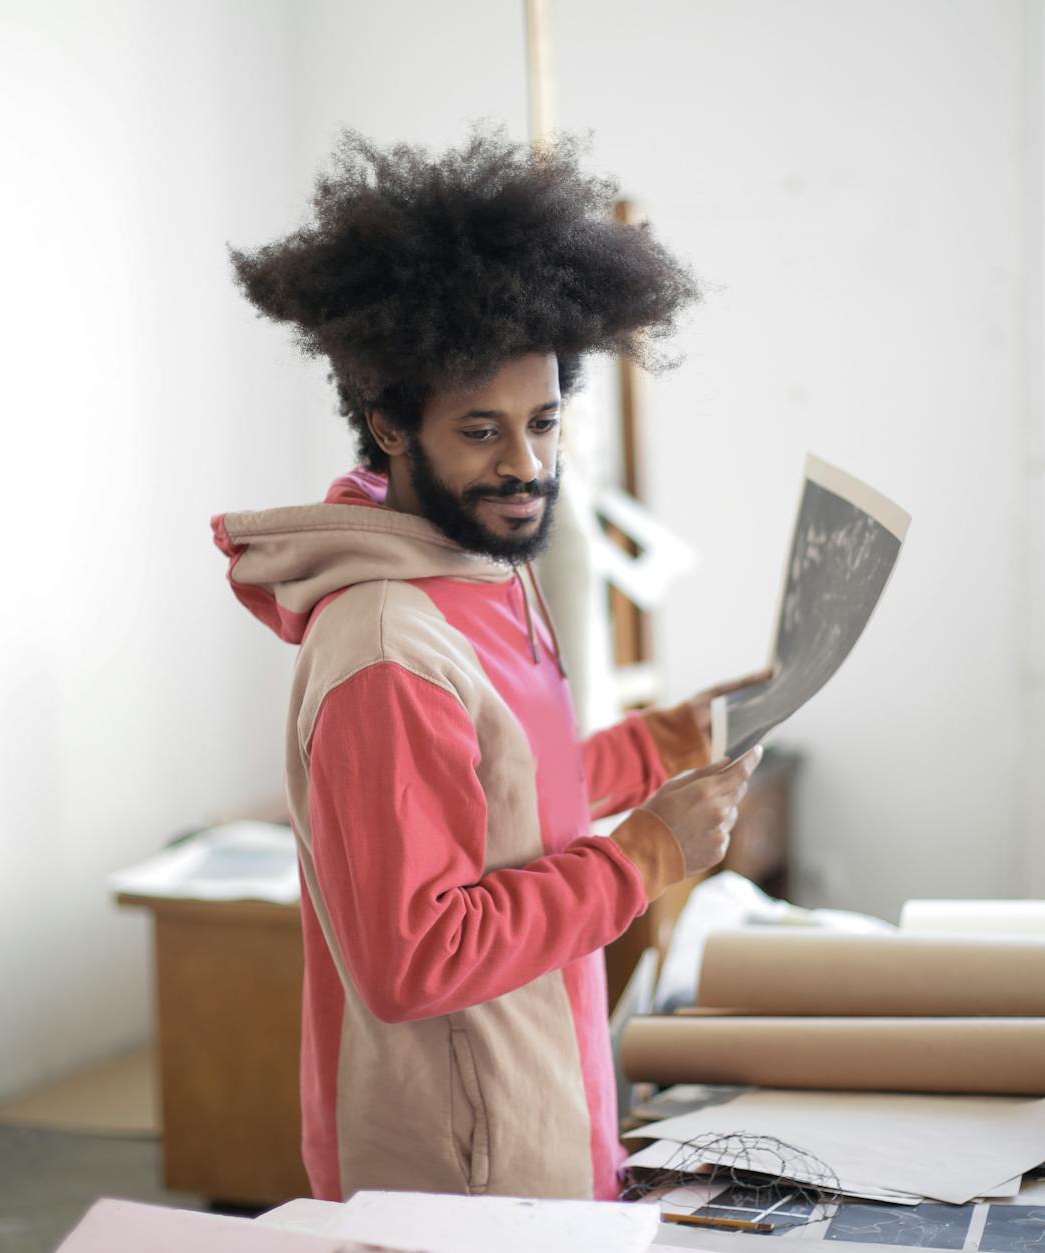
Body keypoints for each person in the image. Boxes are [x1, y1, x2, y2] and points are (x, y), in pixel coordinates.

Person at [211, 130, 764, 1202]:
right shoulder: (385, 649)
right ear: (390, 427)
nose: (523, 465)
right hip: (460, 1158)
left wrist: (664, 743)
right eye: (479, 430)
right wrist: (644, 856)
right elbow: (414, 957)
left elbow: (509, 793)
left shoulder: (477, 566)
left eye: (543, 422)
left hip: (534, 1088)